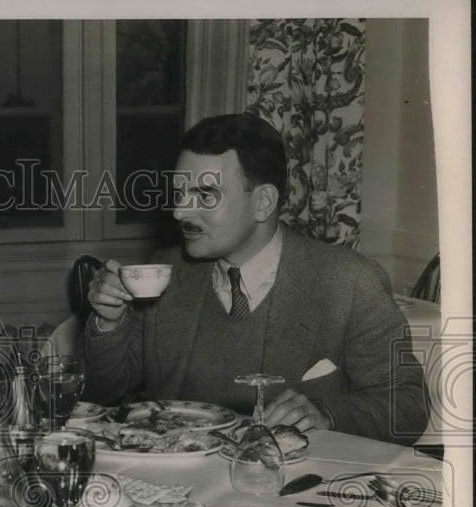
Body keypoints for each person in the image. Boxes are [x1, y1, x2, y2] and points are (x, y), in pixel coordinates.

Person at [83, 113, 428, 445]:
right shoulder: (167, 271)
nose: (180, 211)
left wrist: (328, 413)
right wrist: (108, 322)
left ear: (263, 202)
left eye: (205, 195)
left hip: (290, 479)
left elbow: (408, 405)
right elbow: (105, 393)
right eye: (179, 193)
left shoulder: (349, 282)